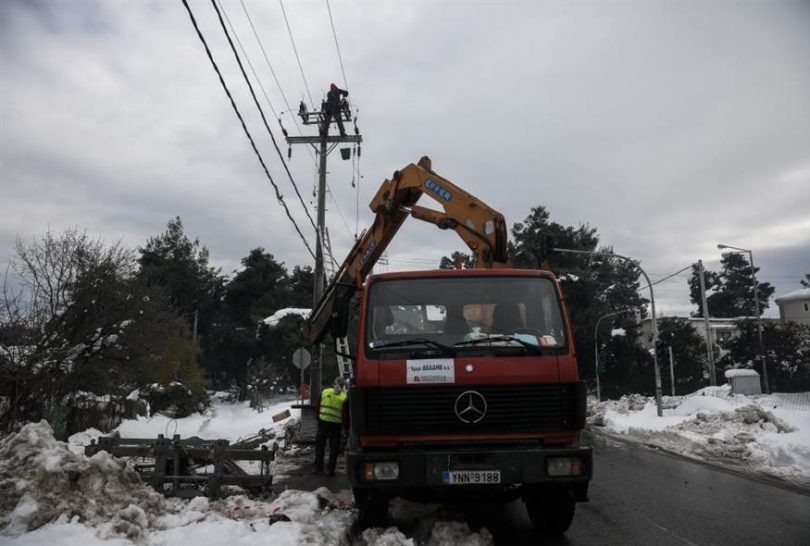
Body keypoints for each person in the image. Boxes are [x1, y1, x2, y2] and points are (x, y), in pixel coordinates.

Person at [313, 377, 348, 477]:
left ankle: (321, 469)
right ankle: (328, 470)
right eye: (337, 384)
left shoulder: (326, 392)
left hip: (326, 423)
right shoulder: (343, 397)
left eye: (339, 385)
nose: (337, 387)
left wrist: (318, 418)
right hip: (333, 425)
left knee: (321, 446)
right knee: (332, 448)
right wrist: (345, 427)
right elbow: (345, 414)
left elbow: (317, 406)